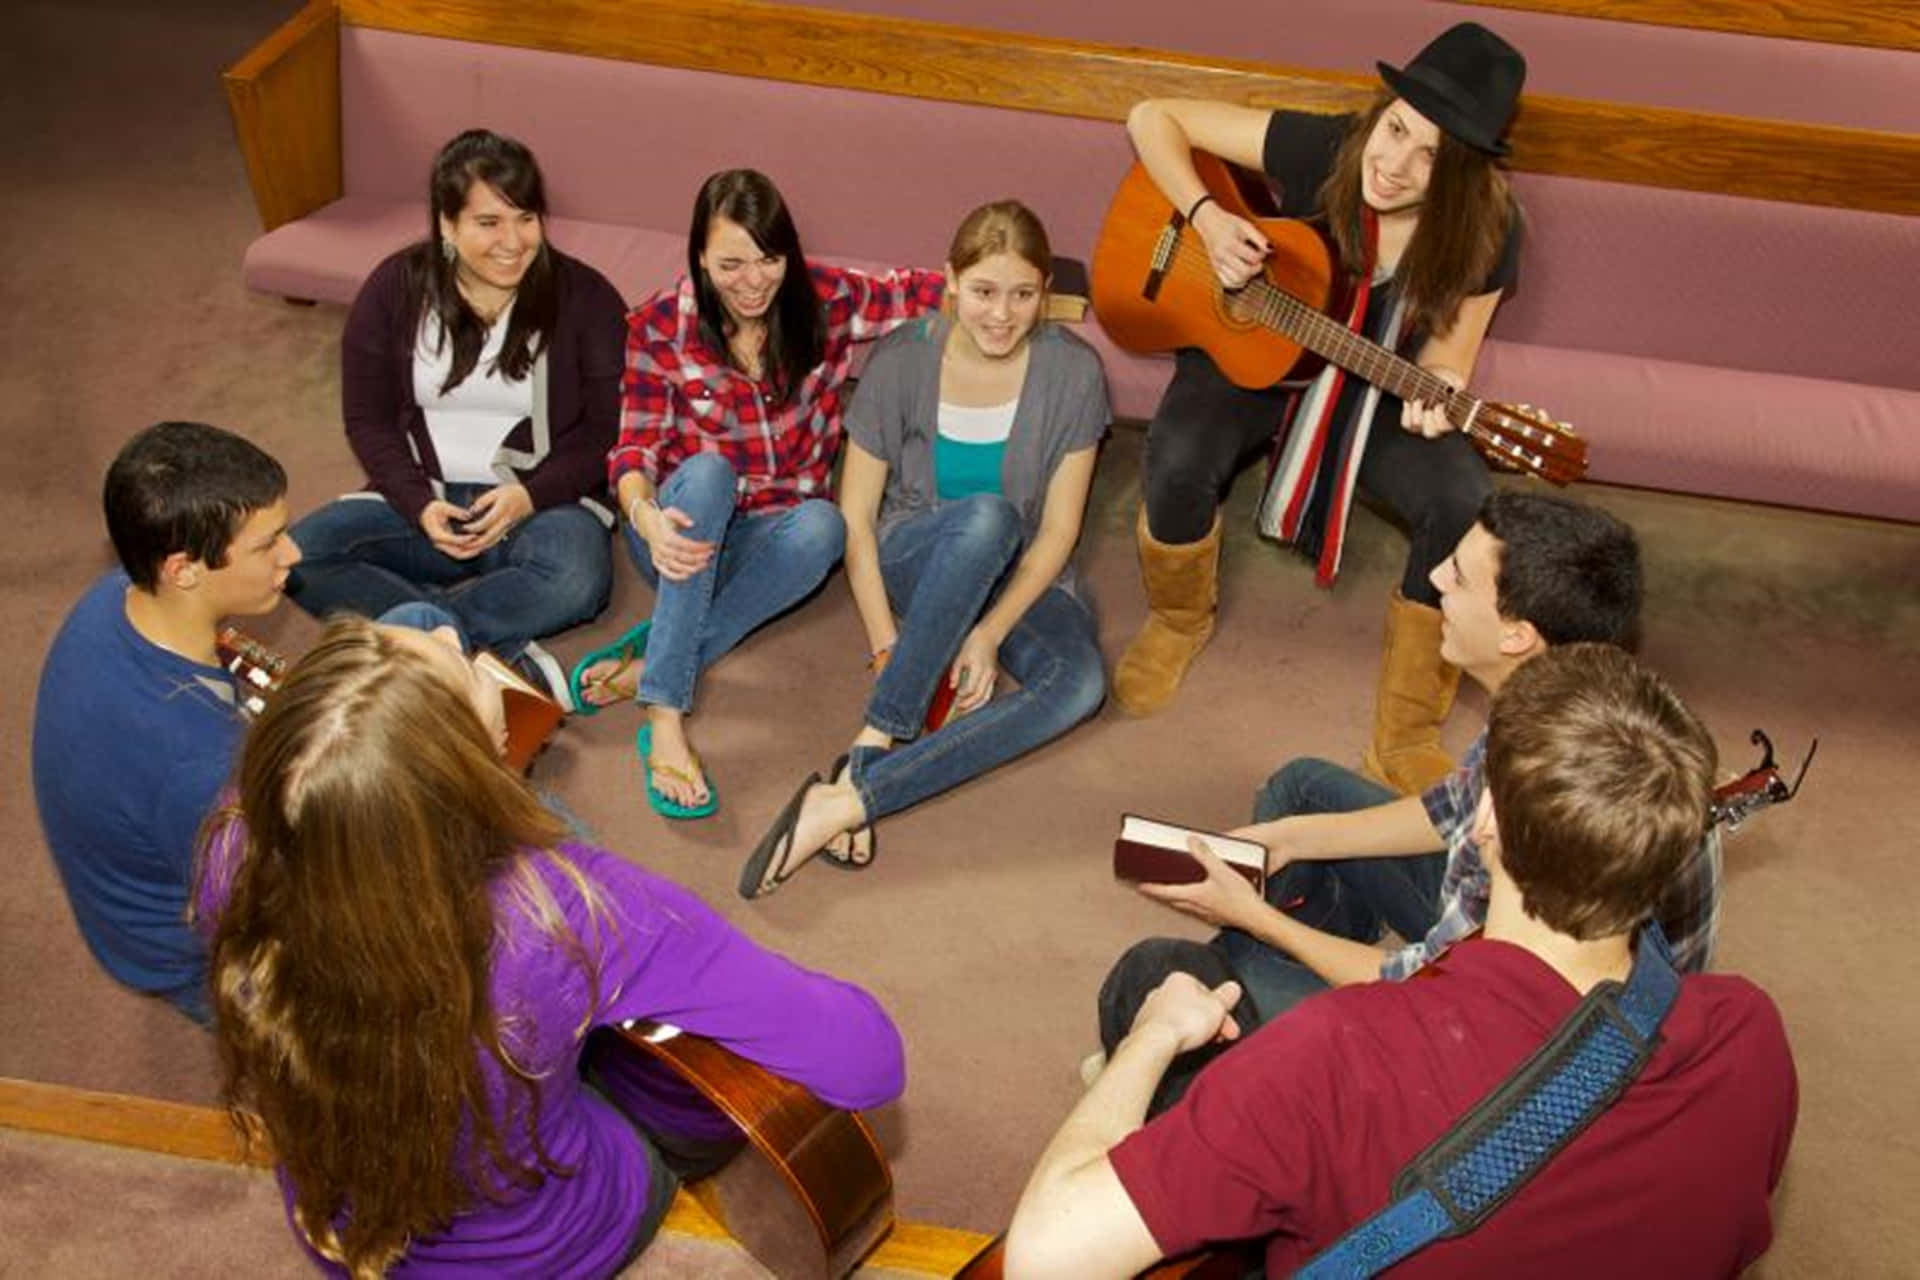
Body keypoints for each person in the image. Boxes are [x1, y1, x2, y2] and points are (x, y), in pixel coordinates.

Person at [1006, 645, 1798, 1278]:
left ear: (1485, 819)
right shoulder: (1750, 1034)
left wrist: (1154, 1034)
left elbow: (1044, 1259)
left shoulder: (1336, 1057)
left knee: (1159, 972)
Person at [194, 616, 905, 1278]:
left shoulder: (236, 846)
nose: (446, 627)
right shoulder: (571, 906)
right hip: (544, 1245)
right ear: (481, 759)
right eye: (463, 664)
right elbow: (867, 1061)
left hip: (347, 1234)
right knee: (687, 1081)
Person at [1095, 491, 1730, 1110]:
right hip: (1504, 954)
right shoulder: (1572, 708)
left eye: (1456, 576)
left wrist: (1257, 919)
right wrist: (1290, 837)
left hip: (1499, 1060)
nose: (1432, 579)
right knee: (1302, 790)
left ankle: (1224, 1037)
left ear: (1516, 635)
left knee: (1153, 973)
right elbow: (1449, 809)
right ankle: (1256, 976)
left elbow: (1417, 980)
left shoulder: (1537, 818)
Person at [1111, 23, 1526, 798]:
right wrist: (1205, 215)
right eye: (1397, 128)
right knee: (1176, 458)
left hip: (1371, 385)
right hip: (1255, 351)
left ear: (1464, 173)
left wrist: (1437, 396)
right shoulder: (1326, 149)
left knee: (1462, 501)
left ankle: (1405, 730)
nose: (1394, 165)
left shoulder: (1491, 233)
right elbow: (1149, 116)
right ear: (1382, 111)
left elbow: (1448, 361)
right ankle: (1177, 620)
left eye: (1430, 155)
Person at [737, 200, 1109, 899]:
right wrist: (887, 645)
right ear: (951, 282)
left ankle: (851, 796)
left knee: (1082, 682)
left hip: (1021, 569)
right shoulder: (905, 356)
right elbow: (855, 511)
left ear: (1044, 296)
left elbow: (1059, 531)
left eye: (1024, 295)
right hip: (921, 553)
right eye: (985, 292)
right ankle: (881, 728)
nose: (1002, 314)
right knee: (986, 520)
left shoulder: (1076, 373)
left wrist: (990, 635)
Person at [571, 168, 945, 819]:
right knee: (712, 472)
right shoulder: (659, 325)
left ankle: (666, 648)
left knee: (826, 527)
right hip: (679, 529)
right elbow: (631, 452)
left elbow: (914, 292)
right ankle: (664, 715)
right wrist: (647, 516)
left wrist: (990, 288)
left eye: (768, 259)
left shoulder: (822, 297)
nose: (752, 280)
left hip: (772, 535)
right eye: (730, 263)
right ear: (699, 257)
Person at [285, 129, 627, 706]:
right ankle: (487, 655)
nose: (514, 242)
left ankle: (421, 637)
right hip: (424, 502)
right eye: (488, 223)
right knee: (296, 559)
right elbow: (366, 418)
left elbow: (607, 428)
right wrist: (418, 502)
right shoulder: (393, 289)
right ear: (446, 224)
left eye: (525, 218)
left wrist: (530, 494)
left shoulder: (586, 296)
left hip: (538, 507)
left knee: (577, 580)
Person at [31, 421, 299, 1024]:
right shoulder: (195, 762)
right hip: (212, 958)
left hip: (191, 847)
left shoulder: (118, 595)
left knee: (406, 627)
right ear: (183, 569)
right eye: (268, 545)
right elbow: (276, 909)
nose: (294, 554)